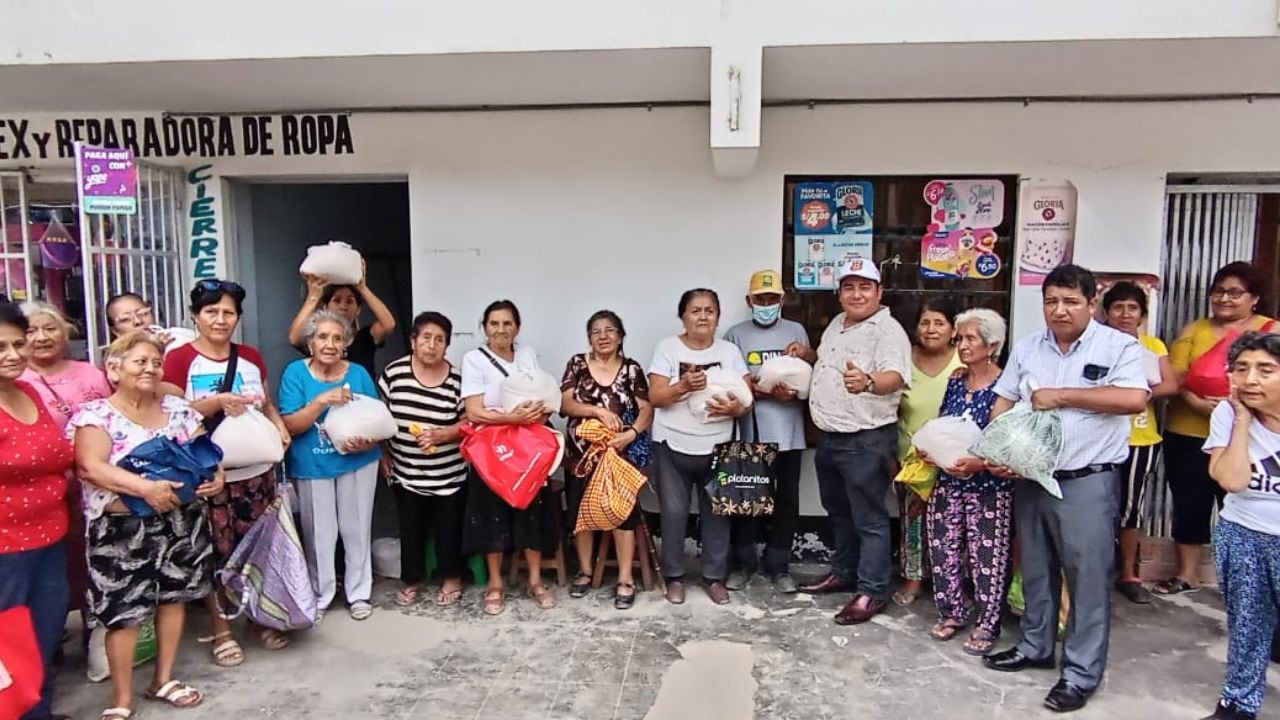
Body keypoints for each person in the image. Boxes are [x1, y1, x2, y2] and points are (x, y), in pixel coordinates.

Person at [981, 264, 1149, 714]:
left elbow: (1134, 399)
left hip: (1087, 481)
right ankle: (1036, 646)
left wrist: (1062, 395)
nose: (1060, 310)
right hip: (1031, 477)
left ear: (1092, 303)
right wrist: (999, 450)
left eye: (1071, 301)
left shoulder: (1120, 346)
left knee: (1087, 577)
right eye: (1051, 301)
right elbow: (1003, 400)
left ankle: (1080, 673)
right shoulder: (1028, 347)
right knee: (1036, 568)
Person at [71, 331, 226, 718]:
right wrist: (145, 488)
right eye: (140, 361)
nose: (151, 368)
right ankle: (122, 698)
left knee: (174, 597)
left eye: (156, 362)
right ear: (114, 368)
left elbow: (202, 450)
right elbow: (91, 467)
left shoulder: (176, 408)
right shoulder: (96, 415)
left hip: (180, 519)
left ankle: (164, 679)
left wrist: (216, 475)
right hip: (121, 527)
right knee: (123, 612)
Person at [161, 279, 292, 663]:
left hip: (255, 471)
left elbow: (266, 403)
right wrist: (215, 402)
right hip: (207, 475)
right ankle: (220, 630)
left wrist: (279, 425)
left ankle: (259, 617)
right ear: (195, 316)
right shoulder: (180, 359)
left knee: (259, 548)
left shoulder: (250, 356)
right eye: (211, 312)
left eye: (228, 312)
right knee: (214, 554)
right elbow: (168, 416)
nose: (220, 320)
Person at [802, 258, 911, 626]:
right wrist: (808, 357)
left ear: (879, 293)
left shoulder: (888, 331)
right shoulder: (838, 323)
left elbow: (895, 376)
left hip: (865, 439)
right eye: (849, 287)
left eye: (865, 287)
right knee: (838, 512)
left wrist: (867, 383)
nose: (856, 294)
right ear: (839, 293)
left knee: (870, 519)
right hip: (831, 437)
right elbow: (830, 364)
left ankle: (872, 591)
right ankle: (844, 571)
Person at [1159, 262, 1274, 595]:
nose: (1224, 298)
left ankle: (1245, 583)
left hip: (1251, 435)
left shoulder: (1271, 330)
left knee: (1241, 501)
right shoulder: (1195, 329)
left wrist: (1241, 405)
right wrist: (1194, 401)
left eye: (1235, 293)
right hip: (1188, 430)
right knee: (1189, 503)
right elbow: (1174, 375)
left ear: (1254, 298)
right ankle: (1188, 573)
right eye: (1219, 291)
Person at [648, 288, 753, 605]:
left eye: (709, 310)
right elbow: (655, 398)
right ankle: (675, 577)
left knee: (718, 515)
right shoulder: (667, 348)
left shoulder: (729, 352)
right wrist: (682, 386)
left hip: (719, 446)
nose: (703, 316)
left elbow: (748, 400)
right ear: (683, 316)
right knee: (674, 513)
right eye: (695, 310)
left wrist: (736, 410)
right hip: (672, 444)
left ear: (718, 317)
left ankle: (714, 577)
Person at [279, 310, 383, 621]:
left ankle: (359, 592)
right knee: (319, 534)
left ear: (346, 344)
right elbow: (291, 424)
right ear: (310, 343)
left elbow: (376, 417)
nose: (330, 344)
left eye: (337, 338)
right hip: (312, 462)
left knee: (356, 529)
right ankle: (321, 594)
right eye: (323, 337)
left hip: (358, 461)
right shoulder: (295, 373)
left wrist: (368, 441)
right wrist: (322, 401)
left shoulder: (359, 374)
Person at [460, 300, 561, 615]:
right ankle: (495, 584)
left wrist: (542, 410)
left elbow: (542, 392)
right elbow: (474, 411)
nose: (500, 330)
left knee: (531, 512)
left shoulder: (528, 355)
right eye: (494, 324)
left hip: (528, 448)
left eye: (507, 323)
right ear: (485, 327)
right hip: (494, 450)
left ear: (517, 327)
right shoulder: (474, 360)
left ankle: (534, 581)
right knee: (493, 515)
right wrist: (511, 419)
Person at [920, 308, 1011, 656]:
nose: (962, 345)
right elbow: (945, 424)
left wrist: (978, 463)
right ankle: (952, 611)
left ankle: (988, 622)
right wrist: (932, 449)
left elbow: (1004, 442)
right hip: (949, 479)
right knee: (943, 548)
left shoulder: (1006, 386)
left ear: (993, 344)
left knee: (986, 555)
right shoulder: (956, 381)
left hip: (988, 486)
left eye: (970, 338)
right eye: (960, 338)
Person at [0, 303, 76, 720]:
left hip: (49, 540)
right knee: (8, 653)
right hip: (6, 550)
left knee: (41, 641)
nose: (13, 355)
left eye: (17, 343)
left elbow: (56, 452)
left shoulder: (28, 390)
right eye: (0, 347)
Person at [1199, 332, 1280, 720]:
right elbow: (1231, 480)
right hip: (1243, 534)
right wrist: (1244, 420)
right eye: (1242, 369)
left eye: (1266, 370)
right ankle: (1238, 704)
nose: (1250, 380)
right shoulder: (1229, 414)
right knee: (1248, 627)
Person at [19, 301, 112, 642]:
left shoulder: (90, 374)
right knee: (42, 569)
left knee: (89, 561)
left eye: (50, 328)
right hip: (38, 493)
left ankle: (96, 631)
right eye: (31, 330)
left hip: (92, 486)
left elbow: (112, 419)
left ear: (65, 331)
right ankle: (45, 638)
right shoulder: (15, 379)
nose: (42, 337)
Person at [722, 270, 814, 594]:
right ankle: (744, 564)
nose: (766, 304)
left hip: (790, 434)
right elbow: (732, 382)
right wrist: (766, 392)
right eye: (760, 299)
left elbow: (811, 375)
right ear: (749, 301)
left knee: (786, 501)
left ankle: (779, 567)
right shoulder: (735, 335)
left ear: (782, 300)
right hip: (750, 432)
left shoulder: (796, 331)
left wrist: (806, 359)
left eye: (772, 299)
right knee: (747, 501)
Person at [560, 310, 654, 609]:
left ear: (621, 336)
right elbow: (565, 403)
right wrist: (597, 411)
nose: (603, 336)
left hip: (619, 455)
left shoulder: (631, 369)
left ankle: (625, 578)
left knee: (622, 516)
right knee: (580, 515)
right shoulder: (577, 363)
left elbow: (646, 408)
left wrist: (631, 434)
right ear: (589, 337)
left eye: (610, 330)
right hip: (582, 456)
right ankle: (586, 571)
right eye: (596, 331)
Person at [378, 311, 467, 608]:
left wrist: (445, 435)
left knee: (448, 529)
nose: (432, 345)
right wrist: (384, 452)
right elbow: (378, 418)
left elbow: (469, 423)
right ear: (413, 341)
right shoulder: (394, 373)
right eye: (426, 337)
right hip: (406, 471)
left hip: (449, 474)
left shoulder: (457, 380)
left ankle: (452, 576)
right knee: (411, 528)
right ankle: (412, 579)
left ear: (447, 345)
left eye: (439, 339)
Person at [1101, 282, 1179, 604]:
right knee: (1097, 506)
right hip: (1101, 436)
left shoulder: (1152, 346)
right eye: (1118, 307)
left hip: (1141, 438)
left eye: (1132, 308)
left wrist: (1139, 394)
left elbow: (1171, 384)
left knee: (1131, 506)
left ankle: (1129, 573)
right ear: (1104, 313)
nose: (1124, 313)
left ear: (1142, 315)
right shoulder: (1096, 344)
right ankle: (1097, 569)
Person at [892, 298, 963, 606]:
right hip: (912, 459)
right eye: (925, 322)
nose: (931, 329)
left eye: (939, 323)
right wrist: (890, 454)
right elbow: (889, 409)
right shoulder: (902, 359)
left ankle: (953, 581)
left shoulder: (965, 359)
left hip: (957, 460)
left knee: (954, 522)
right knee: (912, 521)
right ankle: (913, 578)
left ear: (953, 329)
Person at [287, 266, 397, 379]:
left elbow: (388, 324)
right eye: (337, 300)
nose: (343, 306)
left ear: (358, 309)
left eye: (350, 301)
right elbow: (294, 338)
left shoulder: (365, 338)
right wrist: (313, 296)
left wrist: (363, 288)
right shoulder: (318, 338)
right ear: (325, 307)